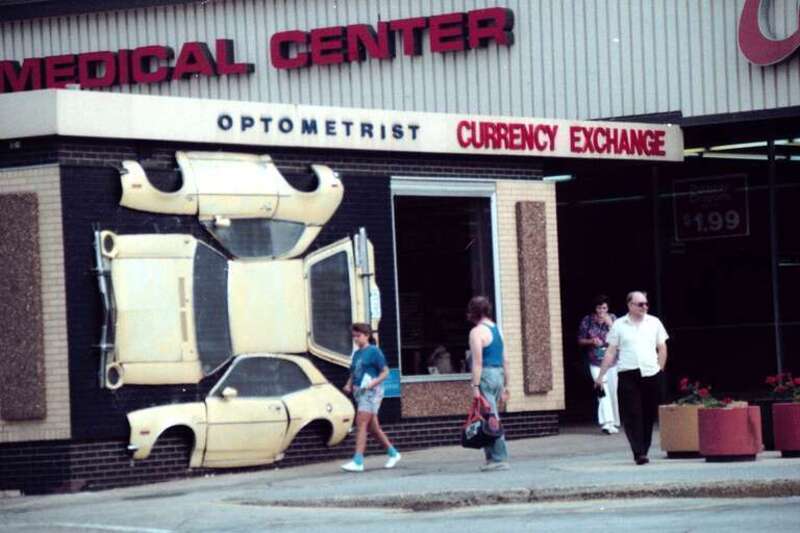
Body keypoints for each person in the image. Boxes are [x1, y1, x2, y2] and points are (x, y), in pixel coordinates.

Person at [594, 291, 668, 465]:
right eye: (640, 304)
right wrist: (601, 375)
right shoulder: (619, 324)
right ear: (630, 305)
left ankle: (644, 448)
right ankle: (638, 452)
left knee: (648, 414)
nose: (644, 307)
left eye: (646, 304)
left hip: (650, 373)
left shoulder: (654, 322)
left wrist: (660, 369)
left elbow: (662, 347)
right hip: (628, 373)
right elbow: (611, 351)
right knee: (632, 413)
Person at [341, 323, 401, 472]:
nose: (356, 339)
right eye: (354, 336)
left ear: (367, 335)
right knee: (373, 428)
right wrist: (348, 384)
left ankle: (358, 461)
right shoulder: (356, 354)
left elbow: (385, 372)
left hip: (372, 392)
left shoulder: (374, 351)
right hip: (359, 392)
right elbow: (354, 372)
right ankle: (393, 453)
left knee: (361, 422)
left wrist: (373, 383)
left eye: (358, 336)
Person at [467, 295, 510, 471]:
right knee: (488, 416)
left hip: (485, 375)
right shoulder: (497, 329)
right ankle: (491, 458)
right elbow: (505, 359)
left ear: (473, 312)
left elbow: (477, 362)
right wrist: (506, 385)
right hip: (498, 374)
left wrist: (475, 386)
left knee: (491, 418)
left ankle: (499, 458)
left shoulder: (476, 332)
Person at [577, 294, 620, 434]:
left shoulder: (613, 318)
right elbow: (580, 340)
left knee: (612, 391)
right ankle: (607, 423)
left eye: (604, 308)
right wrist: (591, 341)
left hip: (612, 361)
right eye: (599, 308)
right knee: (601, 389)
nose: (601, 311)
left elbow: (621, 337)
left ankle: (613, 422)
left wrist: (610, 324)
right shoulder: (587, 320)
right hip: (595, 361)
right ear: (595, 308)